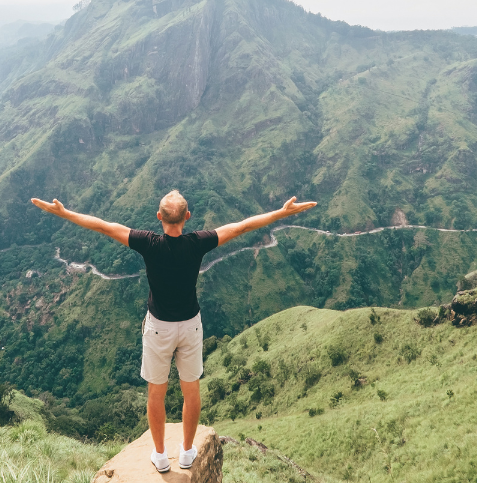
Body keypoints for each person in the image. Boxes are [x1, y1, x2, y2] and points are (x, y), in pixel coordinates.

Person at [30, 190, 316, 472]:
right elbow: (242, 226)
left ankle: (160, 455)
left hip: (158, 329)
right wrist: (281, 212)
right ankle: (188, 452)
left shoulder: (148, 243)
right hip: (190, 326)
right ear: (187, 217)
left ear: (159, 217)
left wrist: (65, 213)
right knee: (191, 391)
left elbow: (104, 226)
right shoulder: (198, 243)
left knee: (156, 393)